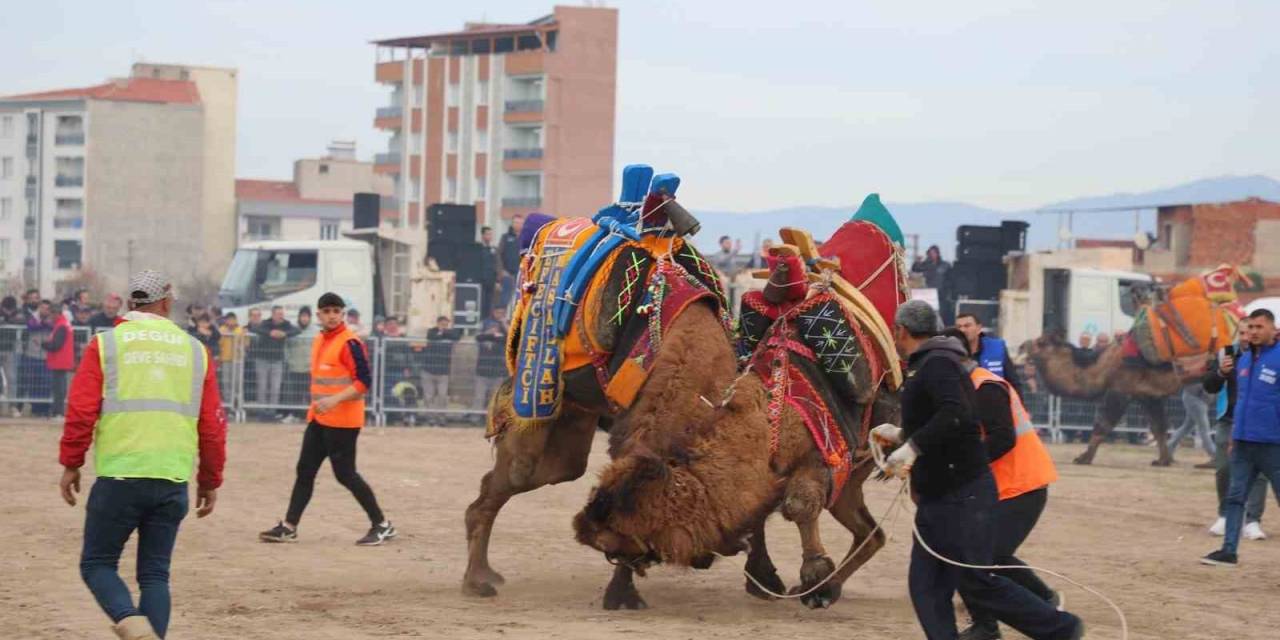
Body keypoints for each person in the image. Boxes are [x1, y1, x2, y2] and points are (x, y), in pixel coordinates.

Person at [872, 301, 1083, 640]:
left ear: (901, 331)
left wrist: (913, 446)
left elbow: (955, 416)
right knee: (929, 585)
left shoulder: (937, 364)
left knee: (976, 578)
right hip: (950, 491)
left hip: (966, 491)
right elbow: (947, 420)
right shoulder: (936, 364)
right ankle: (1029, 625)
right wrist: (902, 436)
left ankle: (1059, 627)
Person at [58, 269, 226, 640]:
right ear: (166, 301)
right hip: (172, 478)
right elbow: (213, 426)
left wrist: (72, 462)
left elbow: (81, 411)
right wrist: (209, 480)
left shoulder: (107, 344)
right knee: (154, 575)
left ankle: (131, 623)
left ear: (131, 302)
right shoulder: (195, 350)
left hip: (120, 475)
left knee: (98, 563)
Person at [941, 329, 1061, 640]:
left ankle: (998, 622)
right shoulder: (965, 389)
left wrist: (962, 465)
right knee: (987, 555)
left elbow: (1003, 439)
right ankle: (1038, 603)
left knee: (982, 556)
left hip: (1022, 486)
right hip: (1002, 487)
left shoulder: (985, 388)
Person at [259, 292, 395, 546]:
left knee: (345, 474)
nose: (332, 316)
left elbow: (364, 382)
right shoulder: (320, 339)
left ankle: (382, 524)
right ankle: (289, 526)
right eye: (327, 311)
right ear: (319, 315)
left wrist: (334, 400)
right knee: (305, 471)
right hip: (320, 419)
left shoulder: (350, 342)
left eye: (336, 311)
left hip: (343, 421)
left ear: (342, 314)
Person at [1202, 308, 1280, 567]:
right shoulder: (1242, 361)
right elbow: (1240, 401)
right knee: (1235, 497)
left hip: (1273, 443)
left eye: (1259, 327)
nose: (1254, 333)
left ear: (1272, 329)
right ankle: (1228, 551)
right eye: (1250, 328)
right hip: (1244, 442)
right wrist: (1236, 435)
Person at [1204, 330, 1268, 539]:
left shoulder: (1268, 355)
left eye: (1250, 331)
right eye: (1242, 332)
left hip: (1257, 422)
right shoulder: (1227, 353)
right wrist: (1221, 372)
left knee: (1258, 473)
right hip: (1229, 419)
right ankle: (1224, 516)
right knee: (1224, 468)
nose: (1246, 336)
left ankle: (1252, 521)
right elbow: (1209, 385)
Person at [955, 313, 1023, 397]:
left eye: (967, 326)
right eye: (959, 327)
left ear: (979, 328)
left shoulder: (997, 348)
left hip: (995, 403)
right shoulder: (952, 352)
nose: (963, 330)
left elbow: (1013, 382)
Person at [251, 306, 298, 419]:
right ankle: (261, 412)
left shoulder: (286, 324)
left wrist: (284, 334)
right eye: (278, 313)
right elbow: (256, 329)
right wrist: (270, 333)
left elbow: (297, 330)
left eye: (282, 313)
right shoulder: (265, 323)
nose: (280, 316)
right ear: (272, 314)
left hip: (277, 361)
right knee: (262, 386)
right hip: (262, 359)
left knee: (275, 388)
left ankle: (272, 412)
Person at [423, 315, 461, 425]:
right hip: (428, 370)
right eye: (442, 324)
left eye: (446, 325)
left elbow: (457, 337)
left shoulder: (451, 333)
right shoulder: (431, 331)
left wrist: (443, 333)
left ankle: (441, 416)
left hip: (443, 371)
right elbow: (432, 336)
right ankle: (430, 417)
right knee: (429, 395)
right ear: (438, 323)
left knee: (442, 395)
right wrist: (441, 333)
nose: (444, 327)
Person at [282, 307, 317, 422]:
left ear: (310, 318)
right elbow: (286, 346)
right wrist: (289, 360)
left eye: (307, 316)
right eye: (302, 316)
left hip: (309, 368)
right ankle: (294, 415)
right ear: (299, 317)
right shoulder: (292, 330)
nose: (304, 318)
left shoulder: (315, 331)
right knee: (295, 393)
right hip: (295, 367)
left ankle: (308, 415)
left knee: (308, 393)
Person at [1167, 382, 1214, 465]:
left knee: (1187, 427)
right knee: (1204, 429)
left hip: (1195, 397)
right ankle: (1215, 456)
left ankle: (1167, 450)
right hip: (1197, 398)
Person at [43, 301, 76, 419]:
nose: (50, 318)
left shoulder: (61, 325)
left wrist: (44, 344)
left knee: (59, 389)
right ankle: (58, 411)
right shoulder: (64, 324)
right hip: (62, 361)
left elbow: (56, 345)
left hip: (59, 361)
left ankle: (59, 412)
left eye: (51, 315)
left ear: (55, 314)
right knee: (60, 388)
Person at [474, 308, 508, 421]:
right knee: (479, 397)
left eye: (502, 313)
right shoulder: (484, 323)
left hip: (498, 369)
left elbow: (511, 339)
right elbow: (478, 337)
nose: (500, 315)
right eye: (498, 312)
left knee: (495, 398)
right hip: (482, 369)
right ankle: (476, 418)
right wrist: (489, 333)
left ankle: (492, 420)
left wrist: (504, 325)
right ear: (493, 312)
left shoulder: (506, 326)